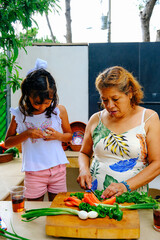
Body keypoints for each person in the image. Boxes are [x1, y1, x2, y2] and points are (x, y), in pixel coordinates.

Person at [77, 66, 160, 198]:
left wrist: (125, 186)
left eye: (115, 99)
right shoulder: (95, 119)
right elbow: (84, 153)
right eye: (104, 100)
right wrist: (83, 170)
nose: (109, 105)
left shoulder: (149, 118)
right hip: (96, 197)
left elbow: (157, 163)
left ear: (130, 93)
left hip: (132, 198)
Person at [5, 59, 72, 201]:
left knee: (58, 208)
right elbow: (8, 143)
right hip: (33, 172)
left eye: (47, 103)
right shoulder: (19, 115)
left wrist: (58, 136)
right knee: (34, 210)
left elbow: (69, 136)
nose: (42, 107)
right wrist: (27, 134)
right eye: (37, 103)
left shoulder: (59, 111)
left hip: (58, 169)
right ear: (27, 95)